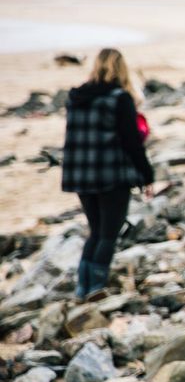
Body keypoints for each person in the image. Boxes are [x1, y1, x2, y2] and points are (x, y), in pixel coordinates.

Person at [61, 48, 154, 299]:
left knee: (96, 231)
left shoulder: (77, 98)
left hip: (81, 174)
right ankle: (95, 290)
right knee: (108, 234)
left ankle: (82, 288)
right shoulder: (119, 98)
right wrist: (147, 176)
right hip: (112, 175)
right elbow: (131, 143)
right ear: (122, 69)